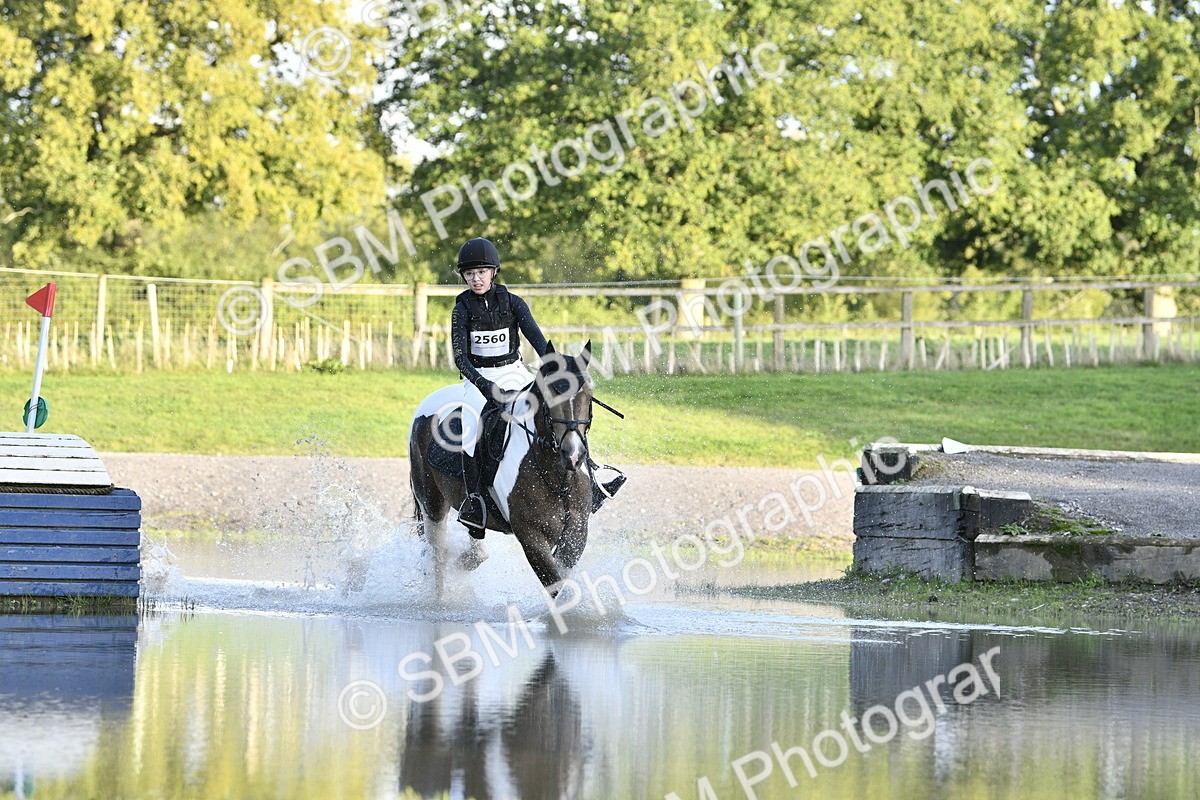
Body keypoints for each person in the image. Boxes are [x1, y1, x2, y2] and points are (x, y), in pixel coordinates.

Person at [449, 237, 623, 538]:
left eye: (481, 272)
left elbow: (540, 344)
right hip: (477, 380)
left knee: (562, 412)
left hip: (515, 373)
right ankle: (475, 501)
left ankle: (592, 477)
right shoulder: (461, 309)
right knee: (468, 429)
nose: (476, 278)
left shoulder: (514, 303)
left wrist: (562, 370)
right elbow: (461, 358)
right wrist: (483, 385)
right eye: (470, 274)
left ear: (494, 272)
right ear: (464, 276)